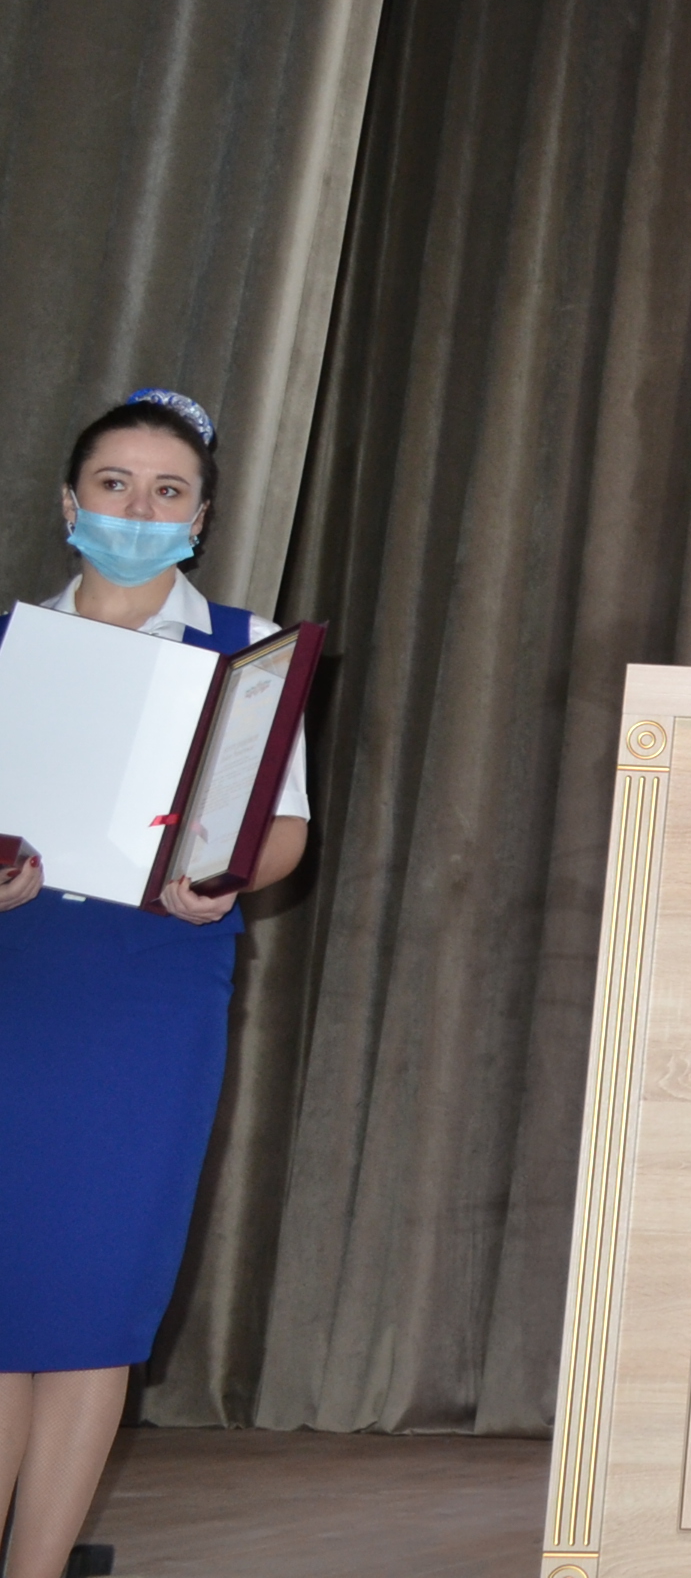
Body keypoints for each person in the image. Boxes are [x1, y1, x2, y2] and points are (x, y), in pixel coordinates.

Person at [0, 390, 314, 1578]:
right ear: (69, 504)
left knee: (93, 1301)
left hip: (150, 991)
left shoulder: (247, 648)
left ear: (200, 518)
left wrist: (224, 878)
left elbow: (284, 829)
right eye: (115, 485)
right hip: (18, 975)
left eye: (167, 492)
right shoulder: (9, 643)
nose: (138, 510)